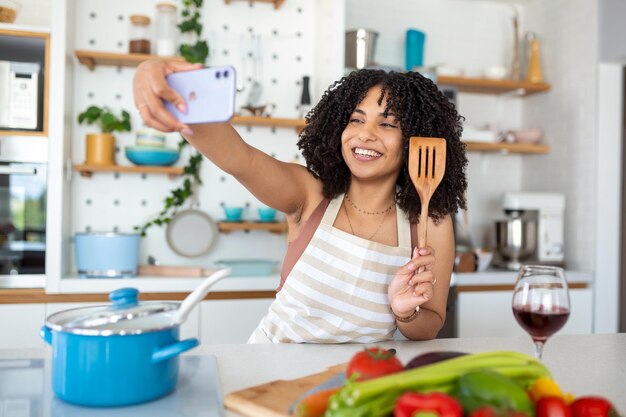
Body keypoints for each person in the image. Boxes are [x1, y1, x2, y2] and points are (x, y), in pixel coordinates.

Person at [133, 60, 468, 343]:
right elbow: (239, 158)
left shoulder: (428, 223)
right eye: (355, 119)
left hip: (352, 388)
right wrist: (166, 85)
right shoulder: (309, 195)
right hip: (268, 373)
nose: (365, 134)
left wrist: (404, 312)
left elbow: (430, 322)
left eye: (387, 124)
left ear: (414, 140)